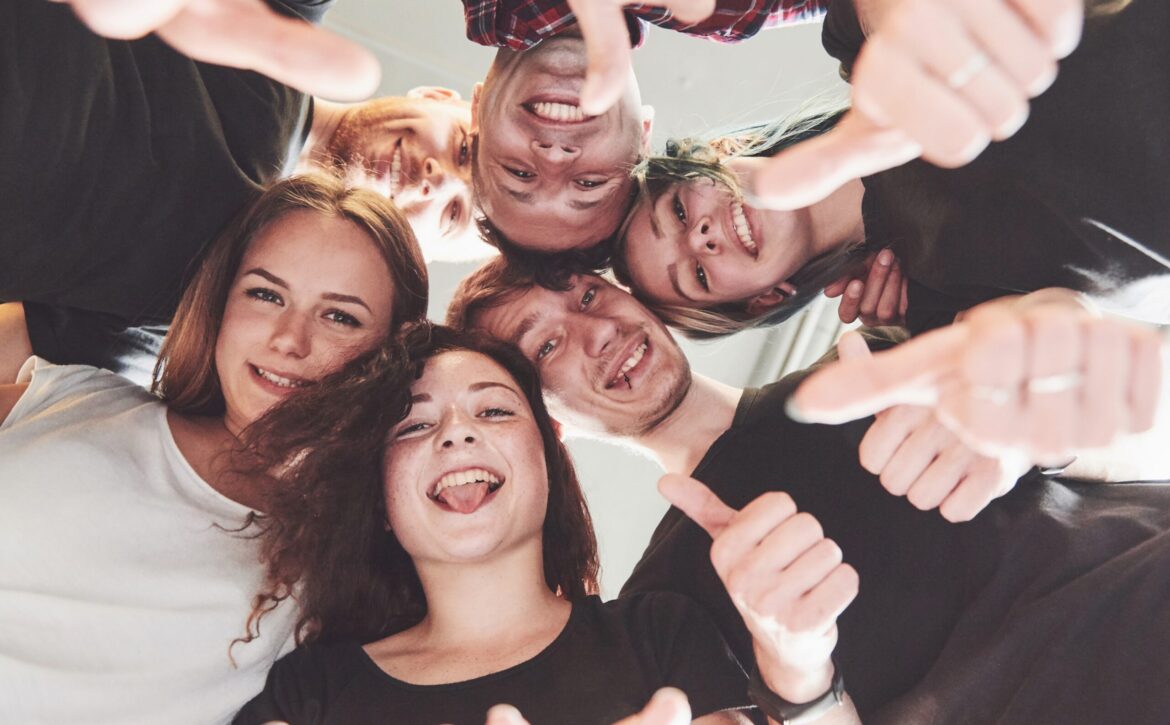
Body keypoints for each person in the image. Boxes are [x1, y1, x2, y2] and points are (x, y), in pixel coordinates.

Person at [447, 261, 1170, 723]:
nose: (595, 331)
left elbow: (1136, 431)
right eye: (544, 346)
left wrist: (1038, 413)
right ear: (548, 427)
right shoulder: (655, 619)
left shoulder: (880, 348)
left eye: (589, 293)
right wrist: (797, 664)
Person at [0, 174, 427, 724]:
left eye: (339, 316)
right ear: (221, 302)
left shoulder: (348, 576)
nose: (288, 340)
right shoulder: (77, 396)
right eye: (265, 294)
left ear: (392, 351)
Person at [232, 324, 756, 725]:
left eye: (495, 412)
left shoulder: (658, 634)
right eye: (415, 424)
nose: (457, 433)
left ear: (548, 466)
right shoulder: (310, 690)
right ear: (379, 502)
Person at [613, 0, 1168, 338]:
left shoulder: (856, 41)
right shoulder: (932, 306)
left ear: (719, 153)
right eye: (698, 276)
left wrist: (827, 161)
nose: (701, 238)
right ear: (766, 297)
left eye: (681, 212)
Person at [0, 0, 476, 384]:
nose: (435, 179)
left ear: (421, 254)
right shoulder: (284, 13)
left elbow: (17, 352)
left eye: (453, 213)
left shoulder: (215, 310)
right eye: (465, 149)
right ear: (435, 97)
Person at [464, 0, 829, 258]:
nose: (555, 157)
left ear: (476, 112)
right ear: (643, 132)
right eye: (589, 183)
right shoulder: (737, 12)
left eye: (520, 173)